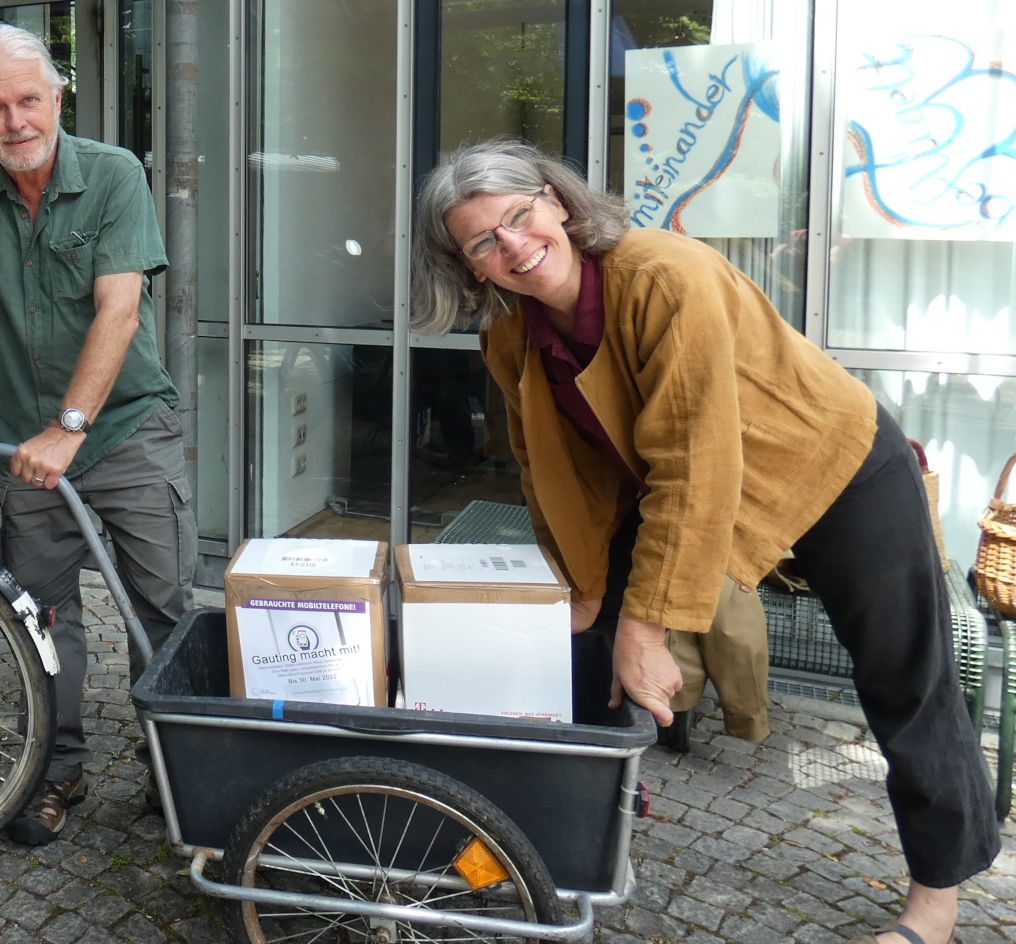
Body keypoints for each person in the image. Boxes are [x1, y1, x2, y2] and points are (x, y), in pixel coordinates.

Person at [410, 138, 996, 944]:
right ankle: (541, 841)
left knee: (906, 677)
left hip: (830, 467)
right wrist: (586, 599)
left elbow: (695, 457)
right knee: (576, 656)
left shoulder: (662, 275)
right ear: (469, 265)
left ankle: (936, 904)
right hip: (687, 485)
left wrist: (649, 627)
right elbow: (551, 475)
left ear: (556, 201)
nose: (513, 245)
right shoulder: (512, 339)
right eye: (484, 240)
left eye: (519, 216)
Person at [0, 24, 194, 846]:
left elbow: (121, 306)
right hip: (23, 440)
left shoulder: (112, 173)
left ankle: (174, 773)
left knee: (165, 609)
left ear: (56, 98)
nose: (14, 120)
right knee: (42, 614)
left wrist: (71, 426)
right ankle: (54, 771)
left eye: (28, 100)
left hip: (128, 427)